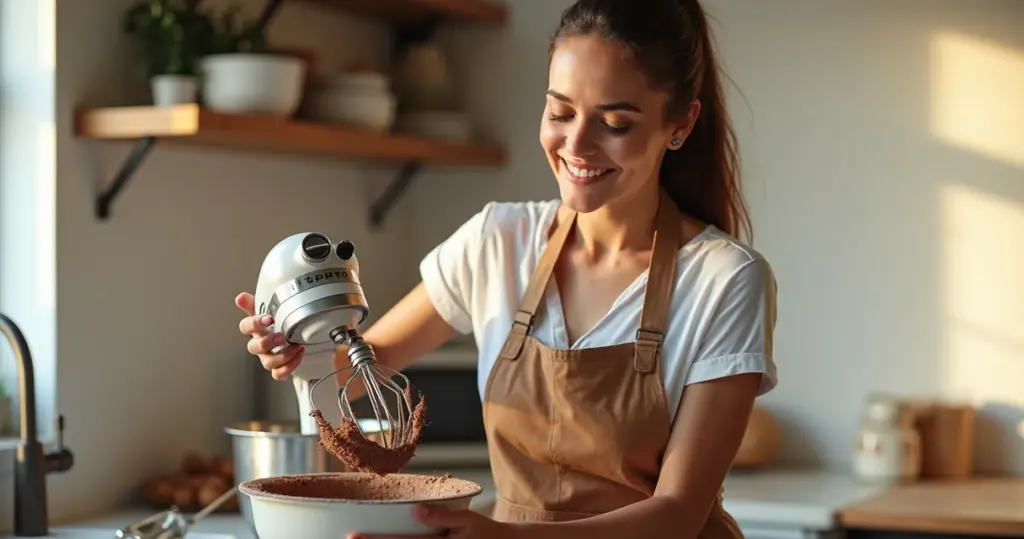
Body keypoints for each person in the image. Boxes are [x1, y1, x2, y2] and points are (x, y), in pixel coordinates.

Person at [236, 0, 778, 537]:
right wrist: (300, 354)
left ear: (680, 125)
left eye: (614, 122)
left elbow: (678, 514)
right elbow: (356, 376)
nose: (577, 145)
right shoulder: (498, 241)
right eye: (560, 112)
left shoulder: (724, 280)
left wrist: (510, 538)